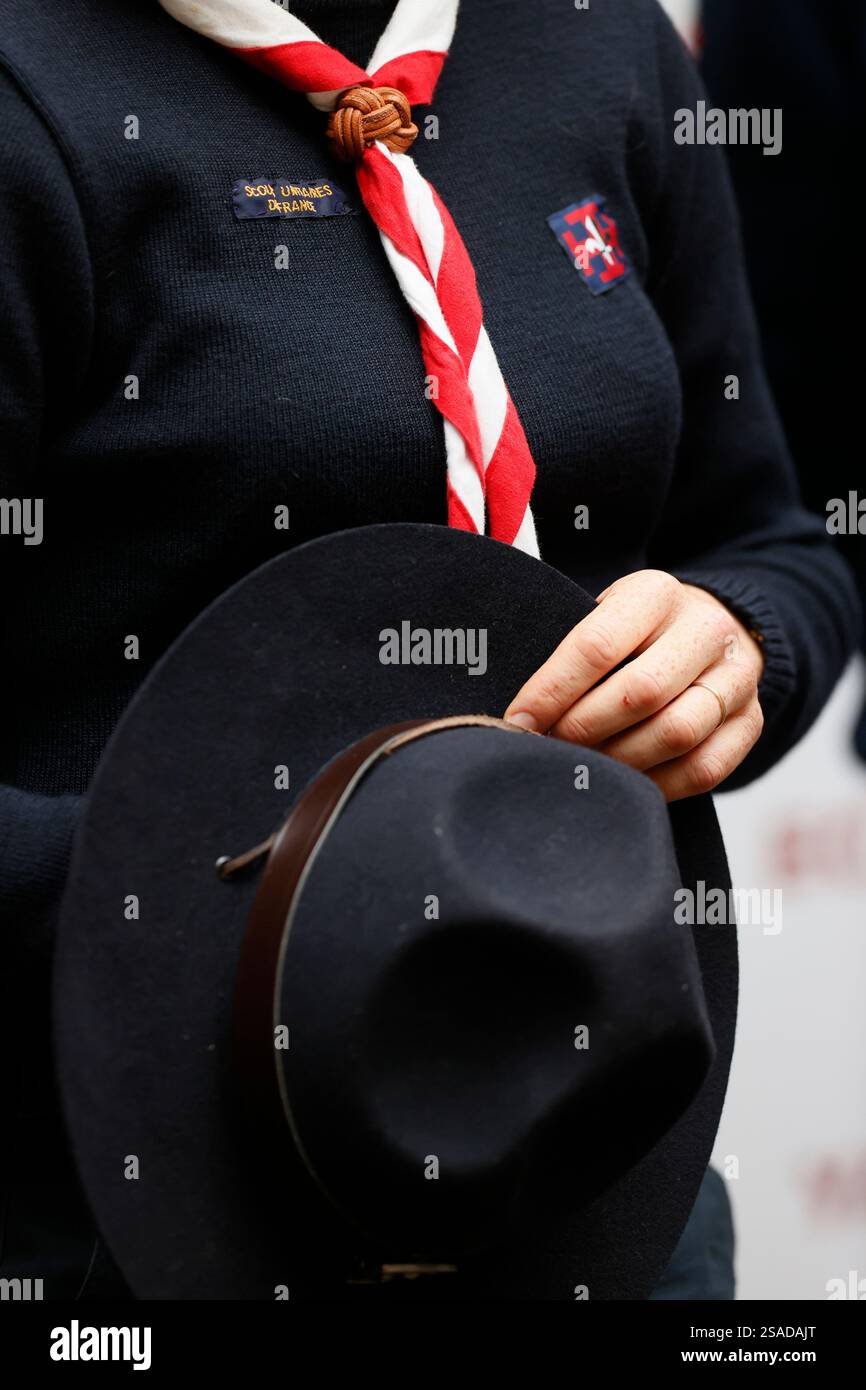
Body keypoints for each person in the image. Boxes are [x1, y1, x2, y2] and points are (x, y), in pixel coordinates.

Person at [0, 0, 858, 1299]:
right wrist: (271, 916)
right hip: (117, 1207)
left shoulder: (599, 44)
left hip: (575, 1165)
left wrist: (741, 644)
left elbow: (771, 541)